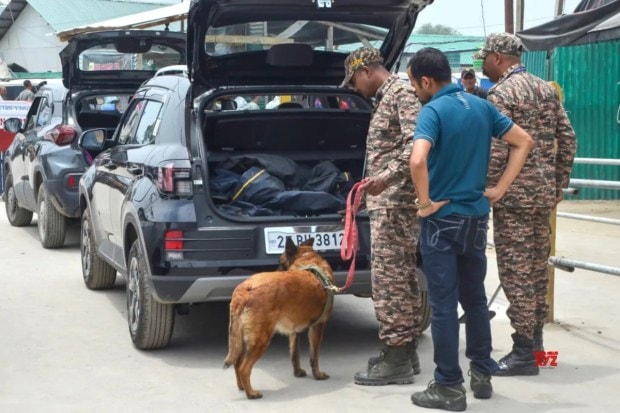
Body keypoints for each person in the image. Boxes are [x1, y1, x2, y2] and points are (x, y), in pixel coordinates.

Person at [407, 47, 533, 410]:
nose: (416, 91)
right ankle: (481, 373)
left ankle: (448, 385)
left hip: (441, 220)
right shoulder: (481, 105)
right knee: (475, 300)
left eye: (416, 84)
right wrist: (499, 189)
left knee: (444, 305)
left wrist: (425, 202)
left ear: (427, 81)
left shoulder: (432, 111)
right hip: (476, 217)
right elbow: (524, 141)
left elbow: (417, 159)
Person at [474, 32, 577, 376]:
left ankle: (522, 352)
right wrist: (559, 182)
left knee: (516, 272)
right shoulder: (546, 89)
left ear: (499, 58)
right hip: (542, 196)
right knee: (535, 270)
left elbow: (499, 148)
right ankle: (535, 347)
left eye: (485, 58)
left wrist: (489, 187)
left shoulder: (501, 93)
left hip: (514, 197)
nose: (482, 64)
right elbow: (568, 137)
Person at [340, 47, 423, 386]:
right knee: (401, 278)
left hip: (395, 204)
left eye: (354, 81)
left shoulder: (400, 93)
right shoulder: (388, 97)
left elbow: (415, 143)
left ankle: (397, 358)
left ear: (366, 71)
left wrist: (384, 178)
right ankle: (403, 351)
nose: (356, 89)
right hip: (388, 203)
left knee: (389, 281)